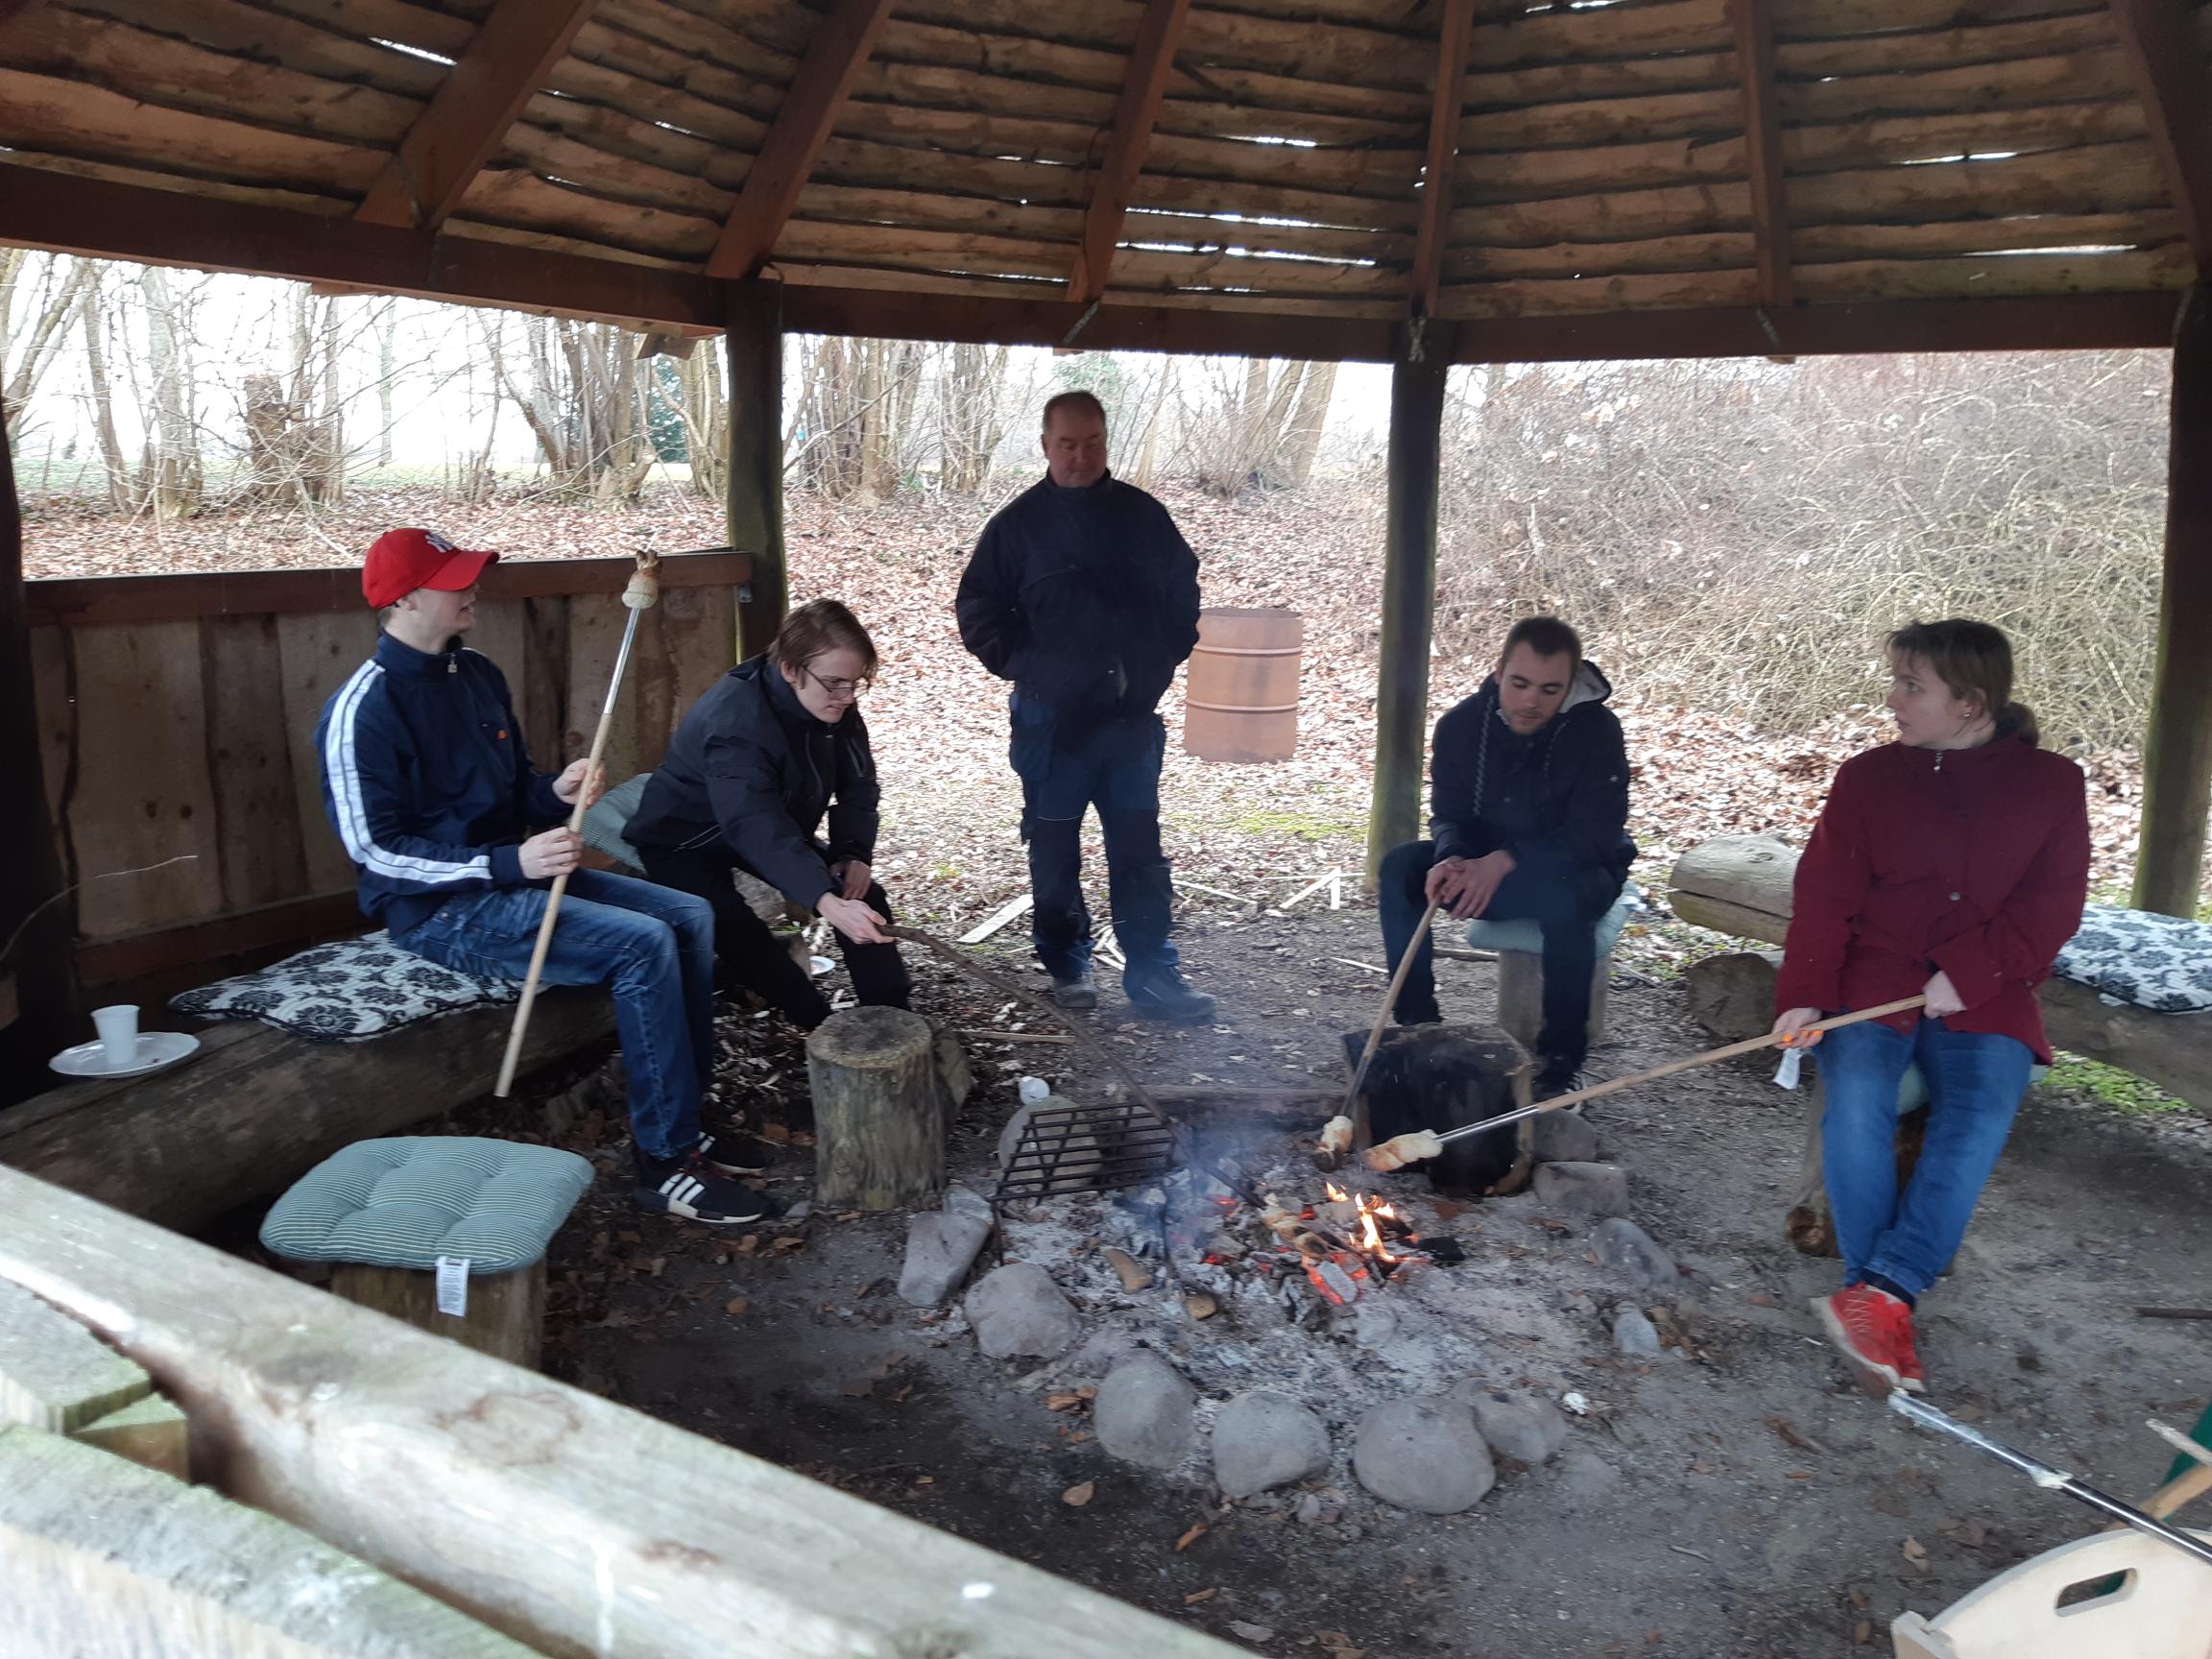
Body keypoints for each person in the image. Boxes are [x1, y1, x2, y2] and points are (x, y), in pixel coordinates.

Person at [315, 528, 781, 1226]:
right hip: (440, 912)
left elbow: (512, 793)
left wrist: (554, 792)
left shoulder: (476, 674)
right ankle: (665, 1161)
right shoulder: (363, 710)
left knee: (689, 915)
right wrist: (510, 862)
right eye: (454, 580)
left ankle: (687, 1120)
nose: (473, 588)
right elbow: (375, 851)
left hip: (514, 879)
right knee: (641, 944)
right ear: (405, 599)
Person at [1773, 618, 2088, 1397]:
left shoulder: (2053, 785)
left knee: (1978, 1112)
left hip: (1990, 992)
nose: (1893, 699)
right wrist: (1804, 995)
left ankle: (1884, 1290)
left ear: (1971, 703)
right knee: (1856, 1101)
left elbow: (2052, 908)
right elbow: (1825, 896)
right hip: (1872, 982)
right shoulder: (1867, 779)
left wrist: (1974, 971)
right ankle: (1874, 1295)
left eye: (1912, 686)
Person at [954, 390, 1214, 1022]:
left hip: (1130, 724)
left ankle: (1152, 973)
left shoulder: (1143, 517)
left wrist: (1159, 660)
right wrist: (1034, 668)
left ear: (1105, 442)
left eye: (1092, 442)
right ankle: (1068, 964)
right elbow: (978, 613)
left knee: (1139, 852)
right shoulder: (1017, 528)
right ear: (1045, 446)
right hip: (1052, 726)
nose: (1080, 456)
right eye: (1067, 444)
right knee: (1054, 850)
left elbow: (1183, 594)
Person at [1376, 615, 1634, 1096]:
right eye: (1519, 684)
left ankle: (1560, 1058)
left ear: (1570, 686)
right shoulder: (1460, 726)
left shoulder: (1596, 731)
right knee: (1400, 868)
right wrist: (1452, 857)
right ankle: (1419, 1029)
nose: (1531, 701)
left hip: (1578, 869)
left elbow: (1595, 835)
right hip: (1484, 864)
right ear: (1498, 672)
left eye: (1549, 689)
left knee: (1564, 900)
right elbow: (1449, 814)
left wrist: (1505, 860)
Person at [625, 599, 912, 1028]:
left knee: (862, 894)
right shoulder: (736, 721)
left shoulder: (832, 703)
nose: (847, 697)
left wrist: (852, 852)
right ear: (791, 669)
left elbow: (858, 784)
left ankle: (894, 1021)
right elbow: (752, 822)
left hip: (768, 823)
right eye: (835, 684)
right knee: (735, 928)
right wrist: (823, 899)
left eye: (855, 684)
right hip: (682, 837)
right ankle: (820, 1028)